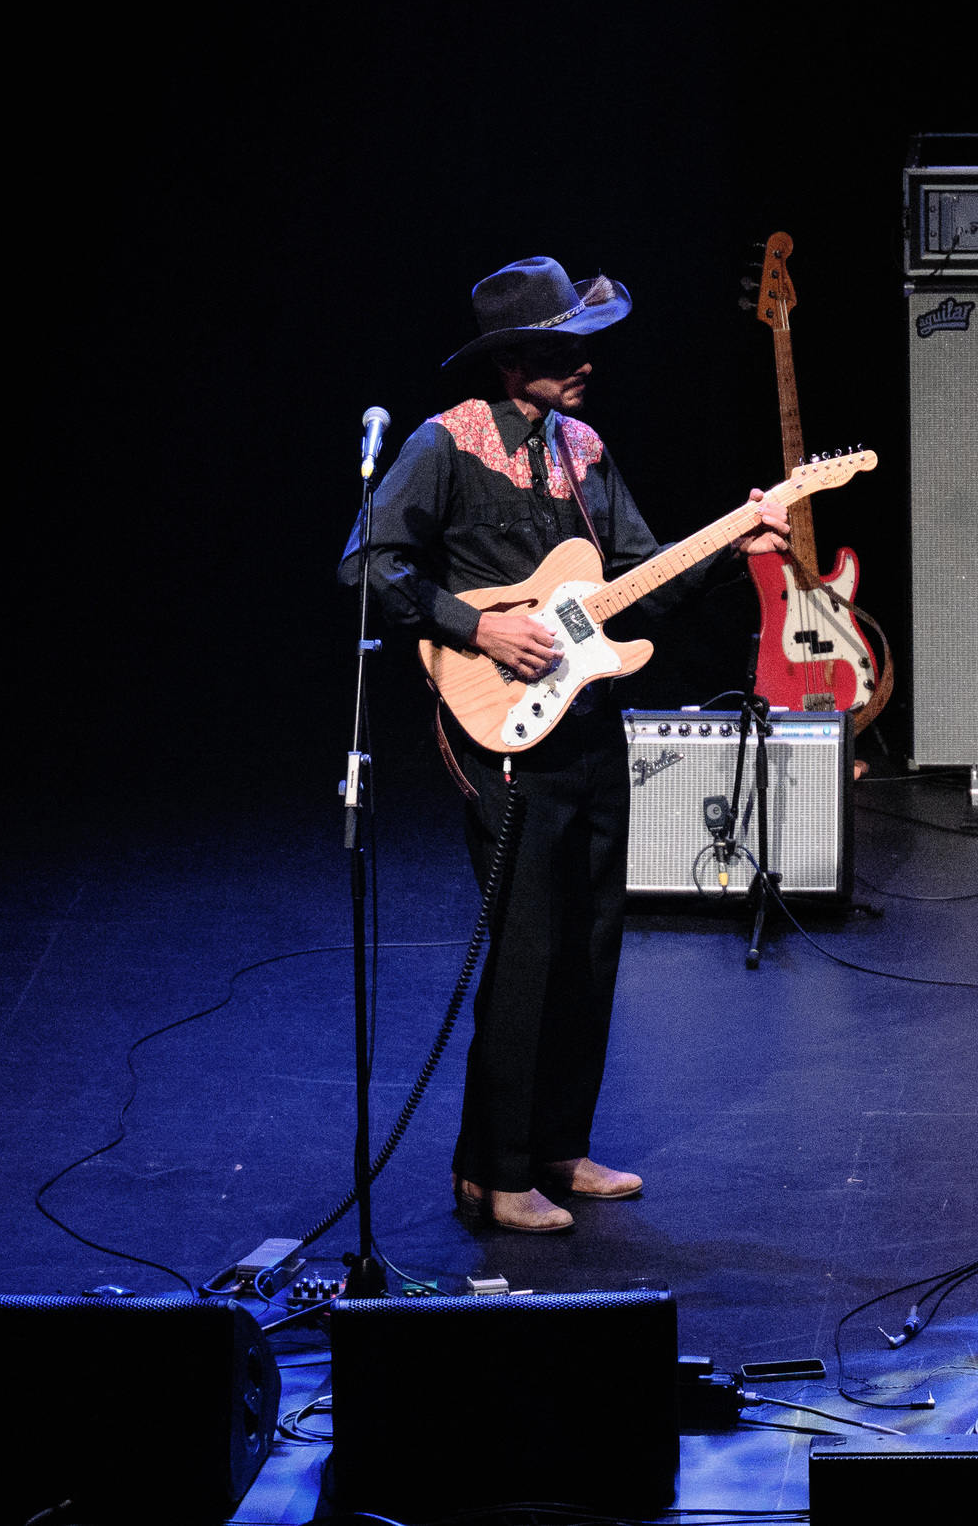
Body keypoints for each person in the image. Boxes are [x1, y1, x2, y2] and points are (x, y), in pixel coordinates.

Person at [340, 255, 789, 1232]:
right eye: (563, 349)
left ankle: (557, 1147)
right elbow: (368, 564)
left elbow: (639, 580)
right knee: (527, 949)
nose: (586, 362)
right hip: (501, 732)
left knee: (590, 944)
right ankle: (493, 1171)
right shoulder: (445, 443)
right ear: (510, 362)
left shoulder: (582, 447)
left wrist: (730, 550)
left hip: (587, 724)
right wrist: (478, 625)